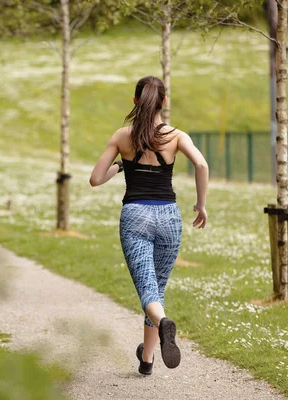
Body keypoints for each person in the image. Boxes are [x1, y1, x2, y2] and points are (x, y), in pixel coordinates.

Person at [89, 76, 209, 375]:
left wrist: (121, 165)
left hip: (135, 216)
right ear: (164, 102)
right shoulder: (176, 136)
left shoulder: (122, 136)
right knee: (156, 288)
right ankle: (147, 360)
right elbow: (202, 165)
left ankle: (164, 324)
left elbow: (95, 179)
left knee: (147, 290)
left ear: (135, 102)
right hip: (169, 216)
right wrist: (201, 204)